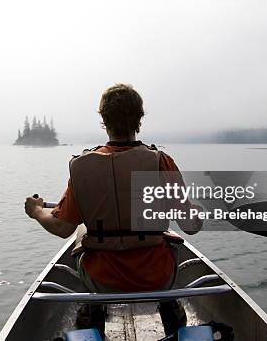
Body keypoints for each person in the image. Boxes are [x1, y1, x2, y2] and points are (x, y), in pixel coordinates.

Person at [24, 83, 203, 337]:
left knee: (83, 228)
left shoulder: (82, 166)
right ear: (139, 119)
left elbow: (62, 227)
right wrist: (196, 210)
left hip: (101, 280)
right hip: (157, 277)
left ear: (104, 119)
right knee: (166, 238)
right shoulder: (160, 162)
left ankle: (92, 311)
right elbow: (191, 226)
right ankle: (170, 308)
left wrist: (36, 211)